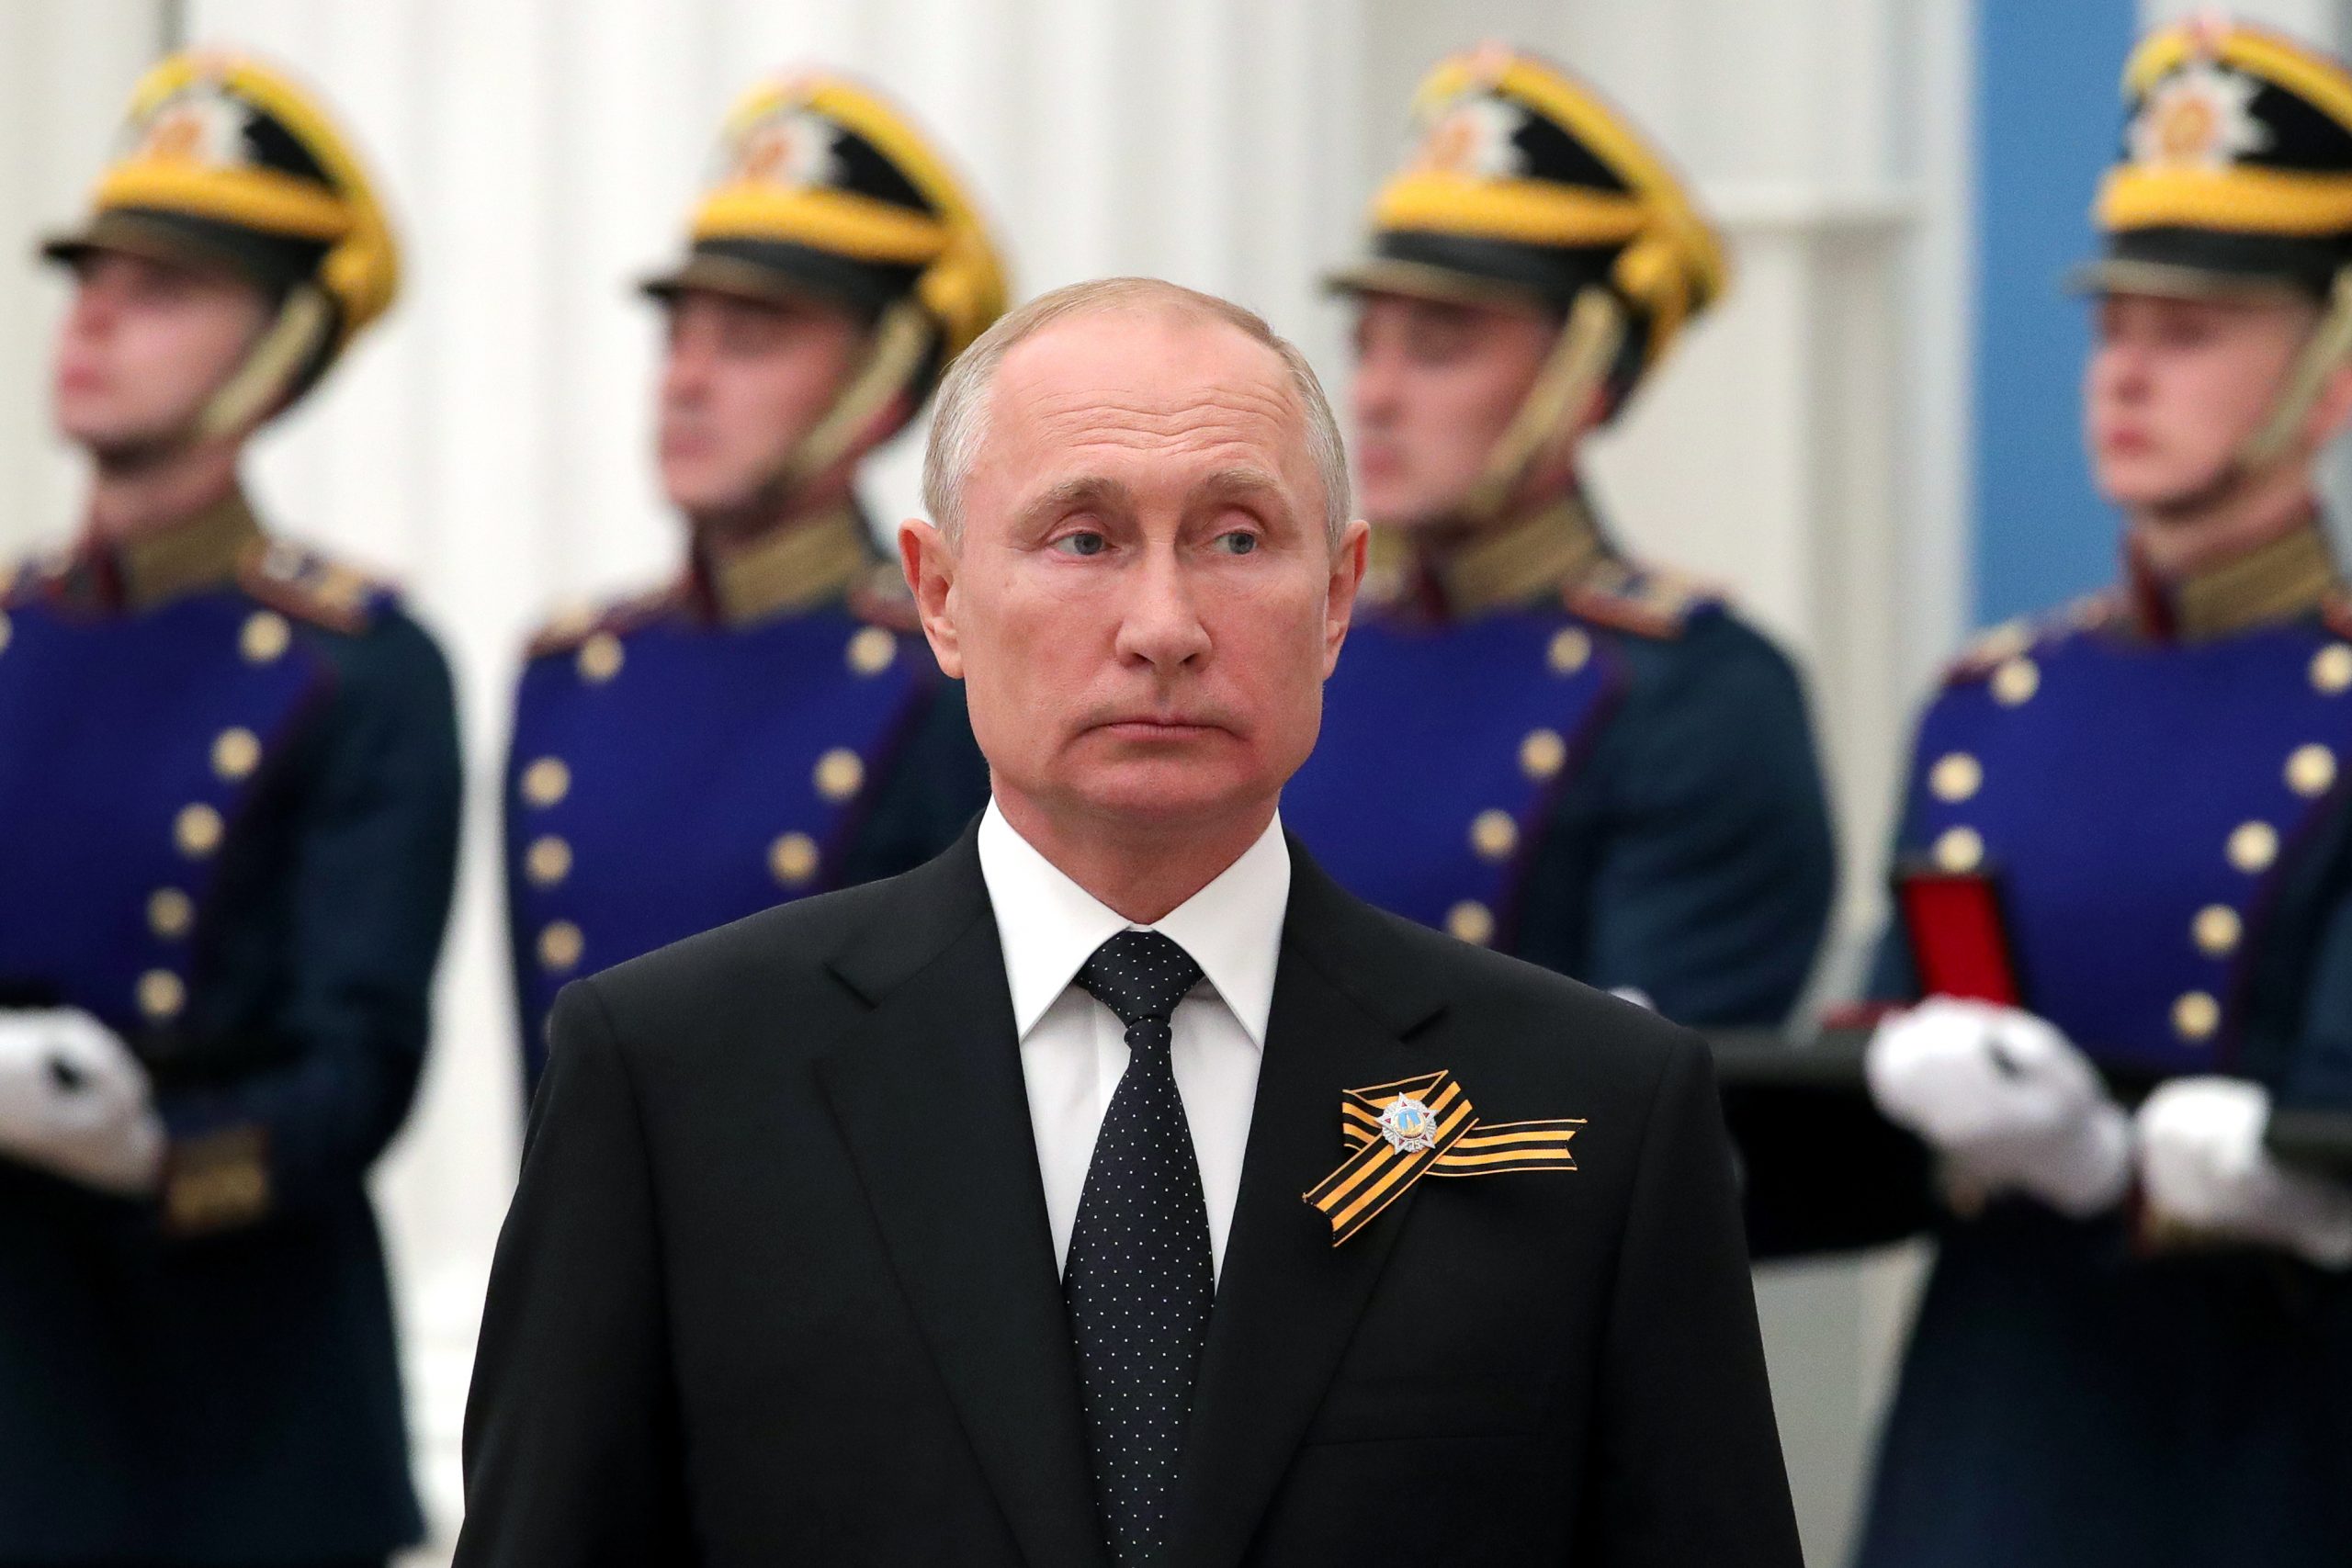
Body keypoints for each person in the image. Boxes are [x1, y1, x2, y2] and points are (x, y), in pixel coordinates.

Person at [453, 276, 1801, 1566]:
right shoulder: (678, 1080)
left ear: (1336, 598)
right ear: (940, 596)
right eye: (1083, 539)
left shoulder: (1594, 1105)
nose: (1165, 625)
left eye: (1236, 538)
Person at [1851, 19, 2352, 1566]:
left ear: (2330, 371)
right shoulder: (1993, 700)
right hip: (1999, 1431)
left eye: (2190, 330)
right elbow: (1871, 1073)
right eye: (2113, 325)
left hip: (2269, 1435)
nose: (2127, 370)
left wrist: (2191, 1175)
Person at [0, 51, 459, 1566]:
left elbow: (356, 1066)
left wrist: (145, 1149)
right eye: (92, 278)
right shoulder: (11, 631)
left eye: (163, 289)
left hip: (227, 1408)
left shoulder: (358, 666)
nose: (96, 317)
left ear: (280, 345)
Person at [1283, 45, 1834, 1027]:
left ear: (1580, 380)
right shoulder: (1299, 649)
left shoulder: (1698, 693)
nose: (1374, 395)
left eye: (1437, 348)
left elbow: (1655, 1083)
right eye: (1365, 344)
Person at [503, 72, 1006, 1086]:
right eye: (678, 338)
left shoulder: (949, 680)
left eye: (749, 341)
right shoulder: (570, 672)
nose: (686, 381)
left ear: (882, 379)